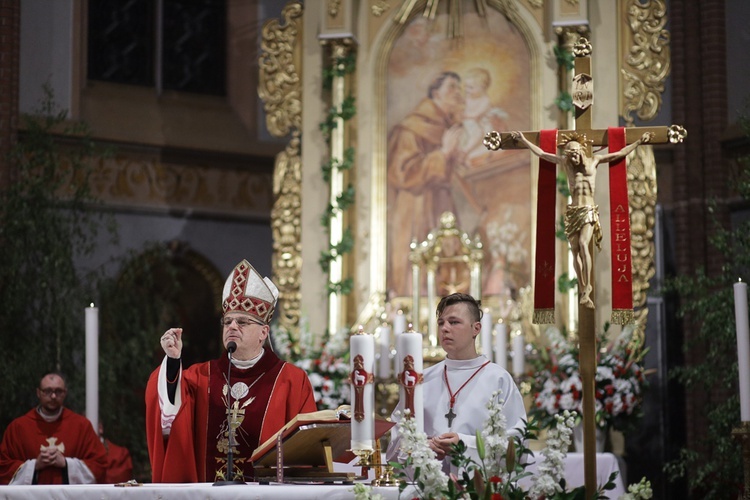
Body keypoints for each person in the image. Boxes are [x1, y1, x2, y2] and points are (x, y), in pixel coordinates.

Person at [145, 259, 317, 483]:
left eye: (243, 322)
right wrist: (173, 361)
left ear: (263, 333)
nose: (232, 327)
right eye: (227, 322)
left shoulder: (291, 380)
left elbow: (307, 447)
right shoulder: (201, 376)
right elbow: (169, 415)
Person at [510, 130, 654, 308]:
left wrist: (639, 141)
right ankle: (582, 285)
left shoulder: (594, 161)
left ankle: (588, 287)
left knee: (585, 244)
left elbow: (619, 153)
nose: (574, 160)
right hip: (573, 211)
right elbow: (542, 154)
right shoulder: (566, 163)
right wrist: (524, 140)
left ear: (581, 152)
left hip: (587, 209)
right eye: (571, 157)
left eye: (576, 156)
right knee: (575, 250)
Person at [386, 293, 526, 474]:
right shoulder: (421, 380)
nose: (445, 328)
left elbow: (517, 446)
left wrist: (464, 444)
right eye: (441, 323)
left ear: (476, 328)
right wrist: (420, 447)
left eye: (454, 322)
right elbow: (394, 449)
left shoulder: (498, 379)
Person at [387, 71, 467, 296]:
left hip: (440, 204)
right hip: (417, 206)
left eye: (459, 88)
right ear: (435, 92)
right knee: (419, 271)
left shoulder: (446, 125)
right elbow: (403, 173)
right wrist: (442, 154)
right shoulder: (413, 126)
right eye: (451, 87)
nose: (457, 93)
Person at [0, 373, 108, 484]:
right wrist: (34, 465)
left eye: (58, 391)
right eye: (47, 391)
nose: (53, 396)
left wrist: (66, 463)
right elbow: (3, 467)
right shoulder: (18, 428)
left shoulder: (81, 426)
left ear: (65, 393)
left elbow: (99, 466)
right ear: (38, 393)